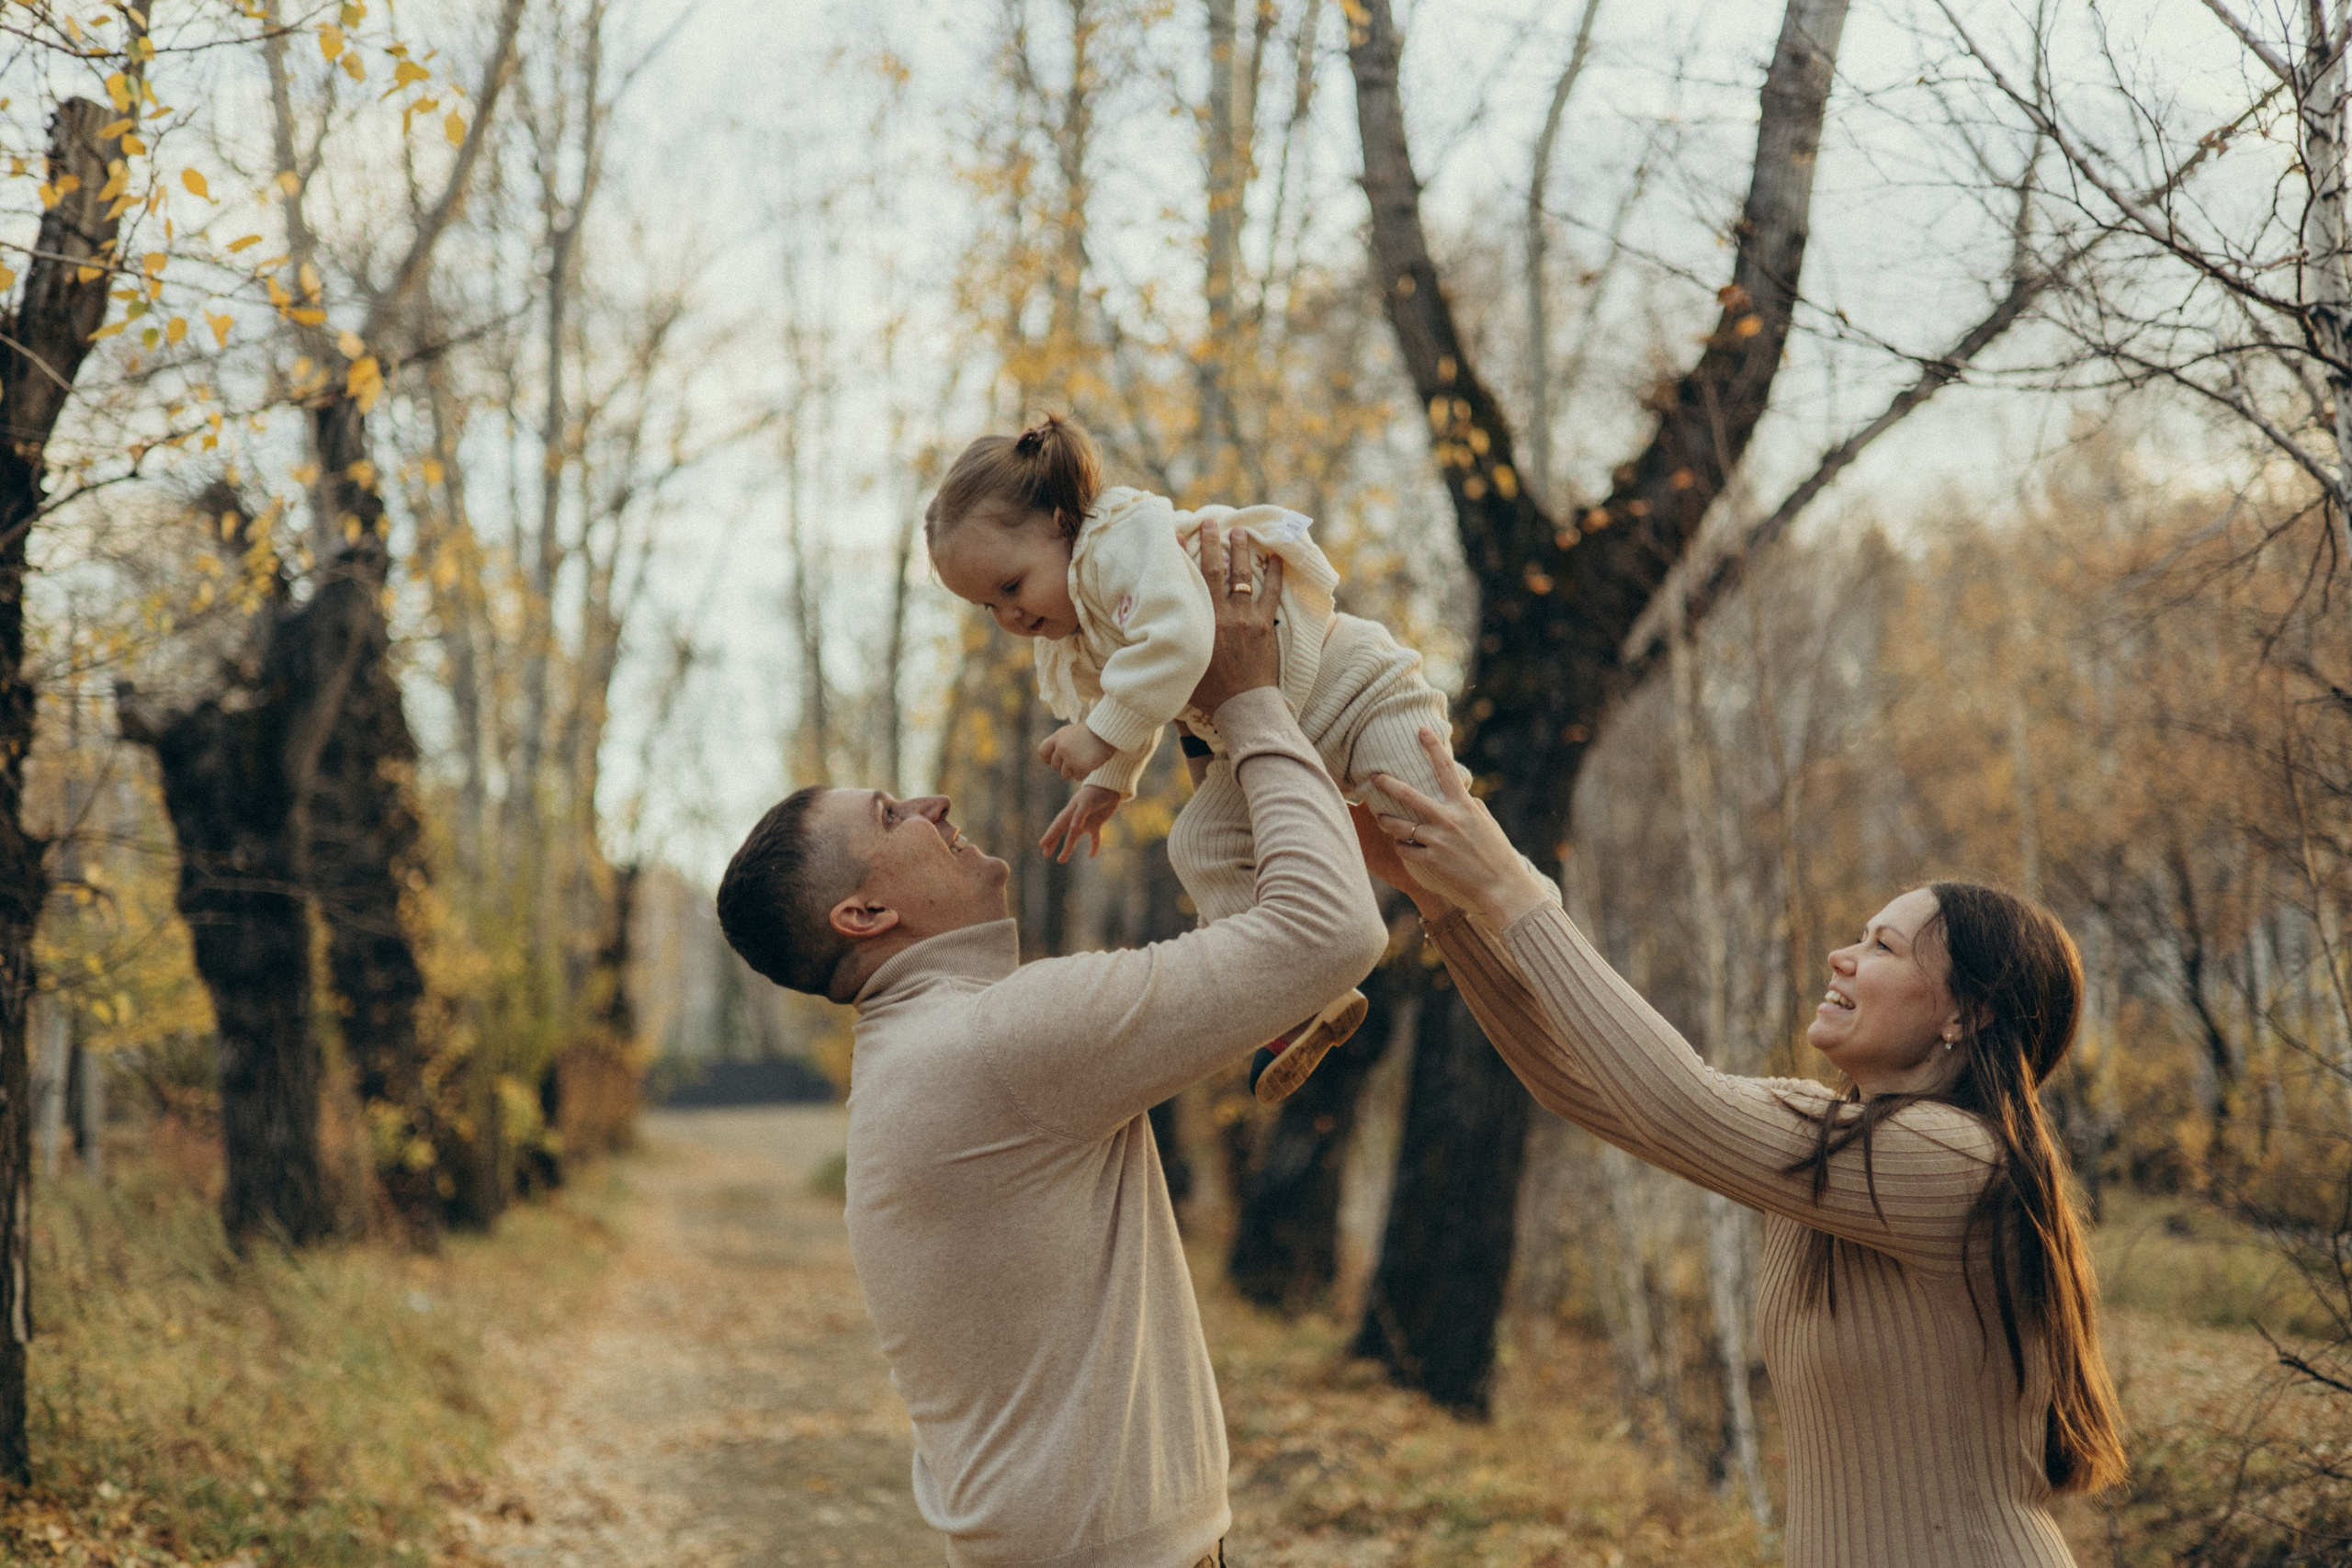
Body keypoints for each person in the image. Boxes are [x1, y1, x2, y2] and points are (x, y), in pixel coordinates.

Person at [715, 524, 1387, 1568]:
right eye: (893, 815)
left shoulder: (949, 1051)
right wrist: (1252, 696)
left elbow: (1257, 955)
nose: (933, 804)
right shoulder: (1001, 1045)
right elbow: (1329, 936)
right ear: (861, 915)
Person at [1355, 728, 2128, 1568]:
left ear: (1967, 1015)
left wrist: (1511, 889)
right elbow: (1583, 1082)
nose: (1843, 954)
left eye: (1883, 946)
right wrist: (1440, 904)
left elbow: (1675, 1099)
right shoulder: (1837, 1143)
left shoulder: (1957, 1162)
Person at [923, 412, 1452, 1102]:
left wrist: (1100, 735)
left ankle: (1517, 903)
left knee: (1434, 830)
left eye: (1012, 586)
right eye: (989, 606)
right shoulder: (1079, 612)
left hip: (1348, 684)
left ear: (1058, 523)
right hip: (1270, 733)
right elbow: (1144, 690)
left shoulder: (1121, 541)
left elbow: (1179, 641)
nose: (1011, 618)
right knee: (1198, 844)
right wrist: (1109, 782)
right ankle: (1299, 1000)